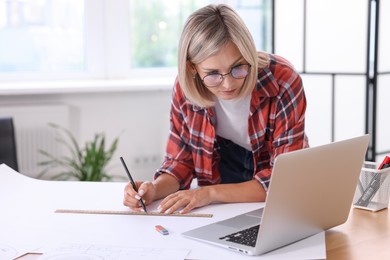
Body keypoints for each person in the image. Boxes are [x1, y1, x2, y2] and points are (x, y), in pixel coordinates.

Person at [123, 4, 308, 214]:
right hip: (222, 189)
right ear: (192, 67)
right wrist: (154, 189)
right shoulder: (185, 89)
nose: (228, 84)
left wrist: (209, 194)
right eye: (212, 73)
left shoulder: (282, 81)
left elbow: (285, 180)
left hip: (273, 195)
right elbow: (180, 162)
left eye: (238, 67)